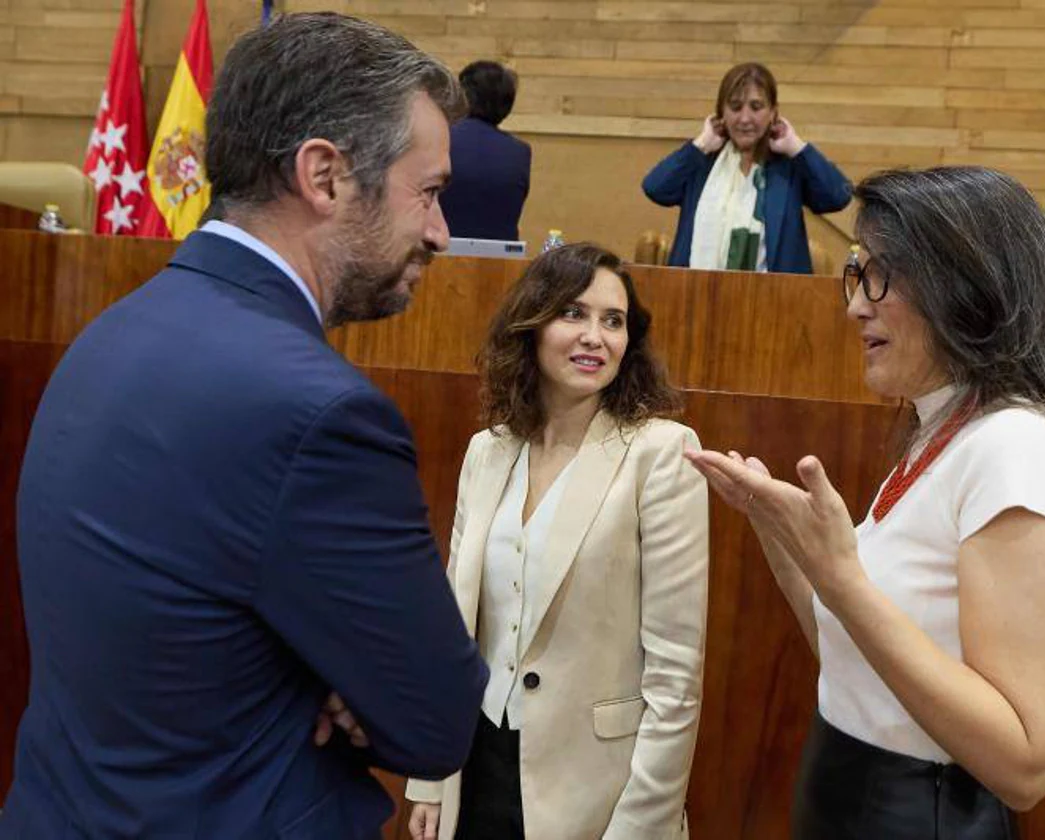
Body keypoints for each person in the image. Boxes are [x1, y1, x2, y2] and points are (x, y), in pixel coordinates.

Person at [2, 13, 488, 838]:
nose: (440, 232)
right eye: (431, 192)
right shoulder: (323, 414)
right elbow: (435, 721)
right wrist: (333, 678)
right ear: (326, 176)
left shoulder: (107, 337)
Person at [687, 167, 1045, 839]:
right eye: (857, 274)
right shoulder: (946, 429)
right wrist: (783, 537)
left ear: (966, 285)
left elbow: (1026, 762)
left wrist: (841, 578)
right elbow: (857, 665)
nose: (857, 305)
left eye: (880, 276)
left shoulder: (1019, 450)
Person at [404, 243, 710, 839]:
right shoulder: (487, 451)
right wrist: (430, 779)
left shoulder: (662, 453)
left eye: (613, 321)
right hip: (475, 769)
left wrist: (640, 827)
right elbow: (452, 629)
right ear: (531, 325)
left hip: (598, 791)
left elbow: (676, 679)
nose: (596, 336)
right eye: (574, 313)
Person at [641, 62, 852, 275]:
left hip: (774, 301)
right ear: (721, 112)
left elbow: (838, 196)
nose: (744, 118)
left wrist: (797, 147)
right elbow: (655, 188)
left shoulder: (788, 166)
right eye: (735, 107)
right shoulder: (703, 162)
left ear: (773, 113)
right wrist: (701, 144)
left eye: (756, 107)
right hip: (698, 294)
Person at [438, 60, 532, 241]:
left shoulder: (440, 139)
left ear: (462, 96)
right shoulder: (519, 152)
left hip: (438, 255)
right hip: (502, 262)